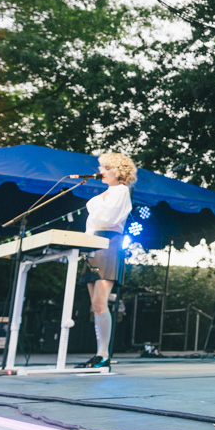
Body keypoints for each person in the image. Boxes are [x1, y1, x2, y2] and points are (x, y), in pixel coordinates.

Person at [76, 152, 137, 369]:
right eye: (102, 167)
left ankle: (103, 354)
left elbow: (108, 219)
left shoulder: (121, 191)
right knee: (95, 305)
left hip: (109, 244)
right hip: (93, 245)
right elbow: (92, 224)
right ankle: (100, 353)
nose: (102, 171)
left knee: (100, 302)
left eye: (107, 168)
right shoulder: (106, 193)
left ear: (119, 172)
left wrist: (95, 214)